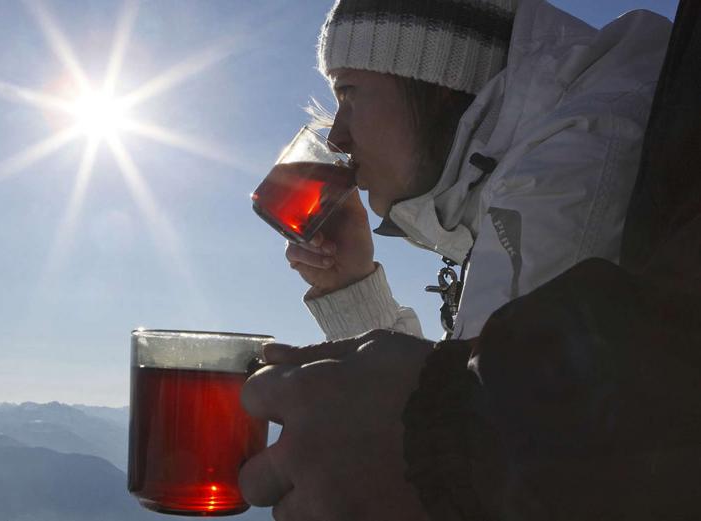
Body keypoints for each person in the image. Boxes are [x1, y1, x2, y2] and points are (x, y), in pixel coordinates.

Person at [240, 0, 672, 519]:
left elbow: (455, 471)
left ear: (438, 77)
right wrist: (350, 286)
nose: (336, 137)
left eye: (349, 93)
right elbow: (457, 410)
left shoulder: (566, 174)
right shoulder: (543, 155)